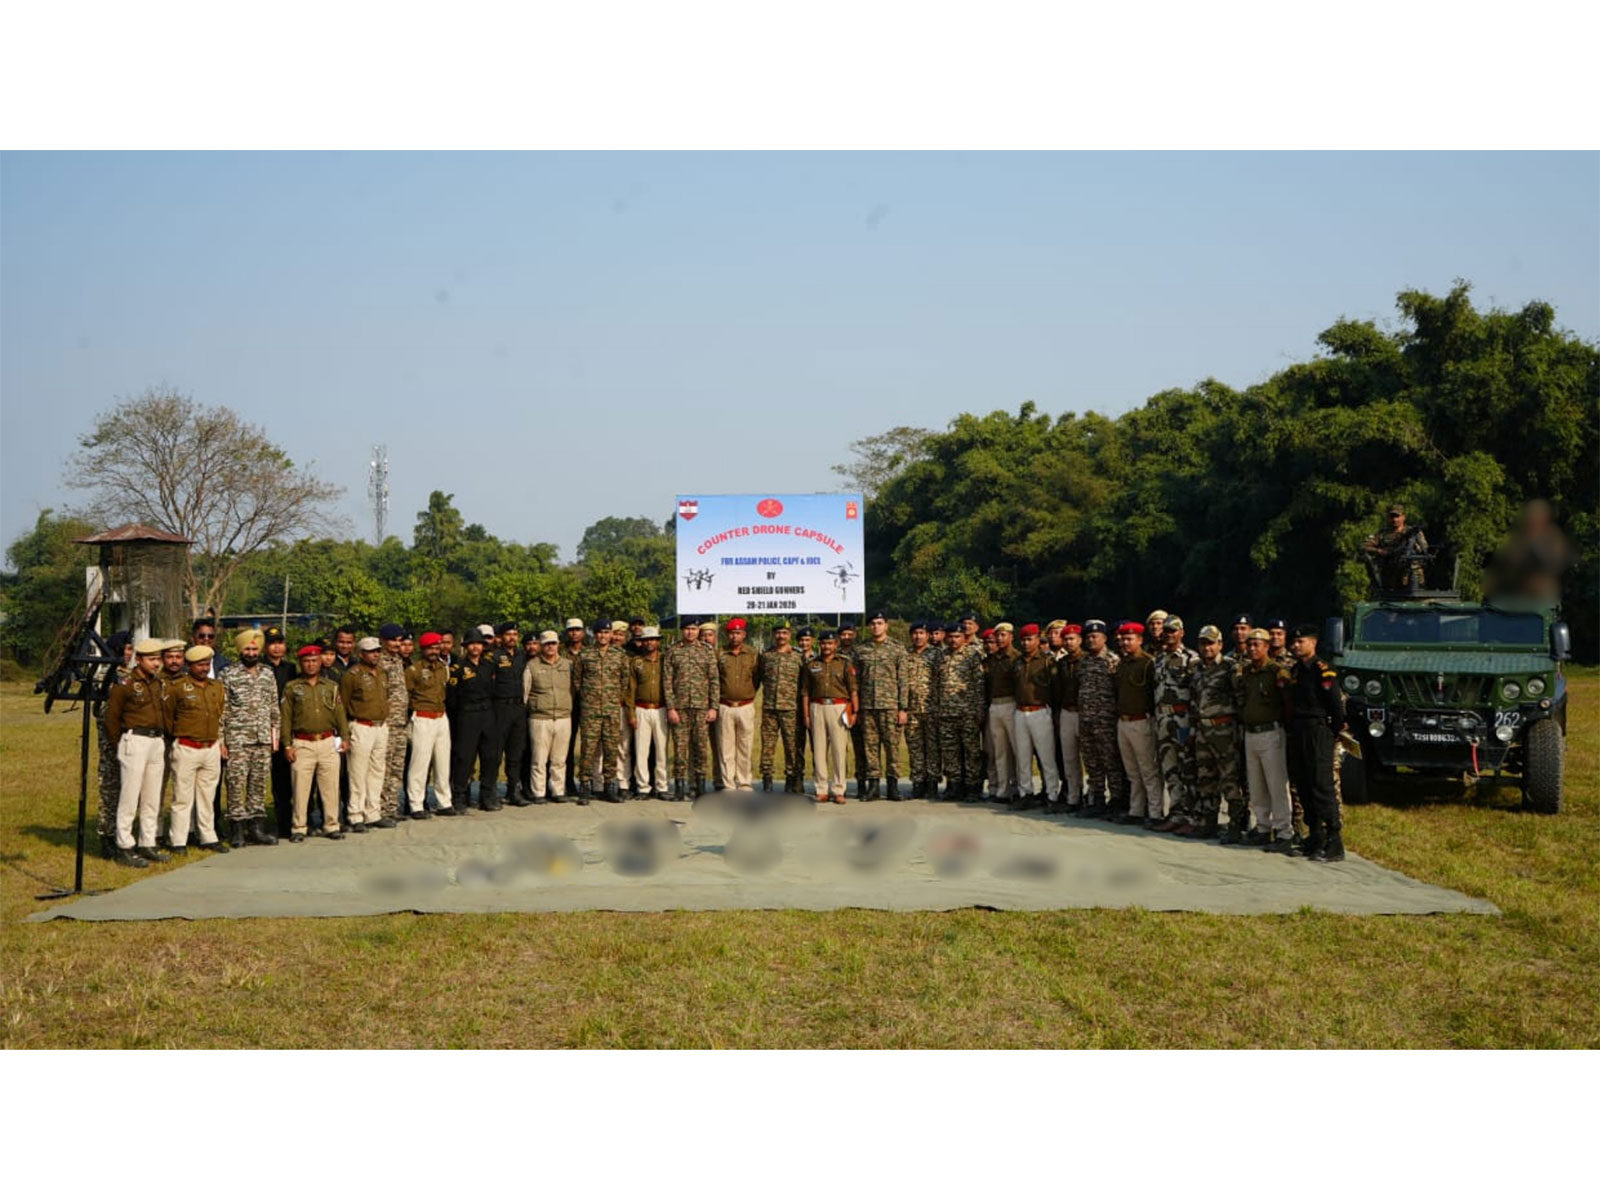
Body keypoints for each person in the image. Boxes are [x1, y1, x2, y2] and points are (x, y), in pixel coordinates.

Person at [106, 638, 171, 866]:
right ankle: (124, 844)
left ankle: (147, 841)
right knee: (130, 796)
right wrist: (119, 745)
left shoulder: (158, 682)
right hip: (135, 739)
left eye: (158, 659)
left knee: (152, 797)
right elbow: (112, 717)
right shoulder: (126, 683)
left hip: (156, 740)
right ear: (139, 659)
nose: (157, 663)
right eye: (151, 659)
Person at [162, 644, 229, 854]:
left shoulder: (216, 686)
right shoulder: (178, 687)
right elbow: (168, 717)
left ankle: (208, 837)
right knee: (182, 797)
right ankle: (178, 840)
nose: (204, 668)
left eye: (207, 664)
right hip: (186, 746)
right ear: (189, 665)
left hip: (210, 747)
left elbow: (220, 713)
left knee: (207, 796)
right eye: (200, 665)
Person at [1286, 624, 1345, 861]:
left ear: (1313, 643)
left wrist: (1333, 731)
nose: (1295, 646)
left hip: (1318, 729)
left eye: (1301, 642)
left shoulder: (1323, 670)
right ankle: (1315, 835)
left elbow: (1336, 707)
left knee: (1322, 784)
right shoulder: (1296, 671)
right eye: (1293, 642)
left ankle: (1334, 839)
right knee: (1303, 783)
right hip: (1299, 729)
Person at [1232, 628, 1295, 851]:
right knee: (1257, 785)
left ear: (1267, 647)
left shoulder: (1277, 672)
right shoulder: (1247, 672)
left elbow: (1288, 702)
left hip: (1271, 733)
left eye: (1256, 645)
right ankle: (1262, 827)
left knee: (1276, 785)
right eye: (1249, 645)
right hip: (1251, 733)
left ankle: (1284, 832)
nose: (1252, 649)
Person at [217, 629, 280, 847]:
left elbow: (273, 706)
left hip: (262, 739)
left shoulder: (267, 673)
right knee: (236, 784)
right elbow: (222, 709)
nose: (251, 653)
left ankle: (256, 828)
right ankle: (237, 829)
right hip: (238, 740)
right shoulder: (228, 674)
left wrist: (274, 737)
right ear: (240, 650)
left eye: (254, 649)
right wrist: (221, 741)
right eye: (247, 649)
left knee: (259, 785)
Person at [280, 644, 349, 842]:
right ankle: (299, 827)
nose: (310, 665)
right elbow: (286, 718)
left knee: (330, 787)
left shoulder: (331, 686)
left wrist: (344, 737)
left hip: (327, 741)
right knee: (301, 789)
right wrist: (287, 744)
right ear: (301, 663)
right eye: (306, 661)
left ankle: (331, 825)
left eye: (314, 661)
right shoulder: (292, 687)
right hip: (303, 743)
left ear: (320, 662)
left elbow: (339, 713)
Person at [1187, 625, 1243, 841]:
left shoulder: (1230, 667)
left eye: (1211, 643)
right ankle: (1209, 822)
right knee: (1206, 778)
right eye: (1203, 643)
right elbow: (1194, 699)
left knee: (1230, 778)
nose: (1207, 648)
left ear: (1220, 644)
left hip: (1224, 729)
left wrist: (1239, 730)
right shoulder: (1196, 668)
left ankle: (1236, 824)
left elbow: (1240, 698)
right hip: (1203, 729)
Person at [1151, 616, 1201, 834]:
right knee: (1169, 769)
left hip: (1183, 719)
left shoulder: (1191, 658)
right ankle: (1176, 813)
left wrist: (1193, 726)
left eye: (1173, 630)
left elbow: (1197, 693)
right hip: (1163, 718)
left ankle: (1192, 815)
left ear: (1181, 632)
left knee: (1187, 769)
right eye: (1166, 631)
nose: (1169, 634)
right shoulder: (1159, 659)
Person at [1113, 621, 1163, 827]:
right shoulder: (1122, 663)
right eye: (1123, 639)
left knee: (1148, 770)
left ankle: (1155, 812)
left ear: (1140, 640)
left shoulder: (1148, 663)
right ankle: (1136, 810)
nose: (1125, 643)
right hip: (1123, 721)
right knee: (1132, 771)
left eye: (1130, 639)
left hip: (1141, 721)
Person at [1073, 619, 1125, 819]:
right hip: (1086, 719)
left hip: (1106, 721)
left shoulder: (1112, 660)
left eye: (1095, 636)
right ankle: (1097, 799)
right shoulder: (1084, 661)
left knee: (1110, 761)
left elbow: (1118, 690)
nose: (1091, 640)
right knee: (1092, 762)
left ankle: (1117, 800)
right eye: (1088, 637)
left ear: (1104, 638)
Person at [853, 611, 908, 799]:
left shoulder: (897, 649)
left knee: (892, 748)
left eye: (879, 623)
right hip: (868, 706)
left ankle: (893, 786)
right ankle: (873, 786)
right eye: (873, 623)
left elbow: (903, 680)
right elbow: (856, 681)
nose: (876, 626)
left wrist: (903, 708)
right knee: (870, 747)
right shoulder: (861, 649)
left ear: (886, 625)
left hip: (890, 706)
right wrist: (857, 708)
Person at [339, 636, 391, 832]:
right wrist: (345, 733)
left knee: (377, 771)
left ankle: (373, 812)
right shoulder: (352, 675)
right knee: (357, 773)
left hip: (380, 726)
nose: (375, 654)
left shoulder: (382, 673)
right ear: (361, 654)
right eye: (371, 651)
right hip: (360, 726)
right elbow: (343, 705)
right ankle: (355, 814)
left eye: (377, 651)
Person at [573, 620, 628, 801]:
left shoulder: (620, 655)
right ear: (594, 635)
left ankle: (610, 786)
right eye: (599, 633)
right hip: (590, 711)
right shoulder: (585, 654)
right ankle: (585, 786)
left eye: (606, 632)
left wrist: (613, 698)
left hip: (611, 710)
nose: (603, 636)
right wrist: (589, 698)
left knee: (611, 749)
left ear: (611, 634)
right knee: (588, 749)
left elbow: (624, 680)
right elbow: (577, 681)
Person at [404, 632, 458, 818]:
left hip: (441, 717)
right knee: (420, 763)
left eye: (436, 647)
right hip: (422, 717)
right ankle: (416, 804)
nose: (434, 651)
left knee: (443, 763)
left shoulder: (443, 668)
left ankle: (444, 802)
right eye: (430, 648)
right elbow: (407, 696)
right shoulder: (414, 670)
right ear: (423, 649)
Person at [802, 629, 858, 804]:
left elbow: (853, 689)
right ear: (819, 644)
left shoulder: (844, 663)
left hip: (838, 707)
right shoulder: (811, 665)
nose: (826, 646)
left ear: (836, 645)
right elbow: (805, 692)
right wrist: (806, 715)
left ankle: (839, 789)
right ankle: (821, 789)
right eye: (824, 643)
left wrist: (855, 711)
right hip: (817, 706)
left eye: (830, 643)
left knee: (839, 750)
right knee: (819, 750)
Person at [665, 618, 718, 798]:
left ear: (698, 631)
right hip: (680, 708)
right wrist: (671, 708)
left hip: (701, 707)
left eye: (694, 629)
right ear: (682, 631)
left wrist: (713, 707)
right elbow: (667, 681)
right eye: (687, 629)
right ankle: (680, 787)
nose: (690, 632)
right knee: (680, 749)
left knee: (700, 748)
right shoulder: (673, 651)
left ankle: (700, 786)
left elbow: (714, 680)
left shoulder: (706, 651)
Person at [1009, 622, 1058, 811]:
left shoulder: (1047, 661)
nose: (1026, 643)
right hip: (1020, 711)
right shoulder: (1017, 662)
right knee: (1022, 757)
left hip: (1040, 711)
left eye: (1030, 639)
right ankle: (1025, 793)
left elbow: (1055, 689)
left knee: (1046, 757)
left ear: (1038, 639)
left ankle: (1052, 794)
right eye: (1023, 640)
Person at [447, 630, 499, 809]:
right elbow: (452, 698)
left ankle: (487, 795)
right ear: (466, 646)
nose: (475, 647)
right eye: (472, 644)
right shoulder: (458, 668)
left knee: (490, 756)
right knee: (464, 757)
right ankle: (460, 796)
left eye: (479, 643)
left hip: (487, 714)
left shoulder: (489, 665)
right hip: (467, 715)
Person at [94, 630, 134, 857]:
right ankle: (107, 835)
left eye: (131, 649)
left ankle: (124, 833)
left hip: (131, 739)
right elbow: (103, 711)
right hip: (111, 739)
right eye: (126, 649)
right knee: (110, 788)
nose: (129, 653)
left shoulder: (131, 675)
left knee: (128, 789)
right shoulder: (105, 676)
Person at [524, 630, 576, 803]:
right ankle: (538, 792)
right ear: (541, 646)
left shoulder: (568, 665)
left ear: (558, 645)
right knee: (539, 759)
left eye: (553, 643)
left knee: (559, 759)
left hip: (563, 717)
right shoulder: (532, 665)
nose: (550, 647)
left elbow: (573, 689)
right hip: (540, 718)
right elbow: (525, 692)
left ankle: (558, 790)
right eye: (546, 644)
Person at [936, 624, 986, 801]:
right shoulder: (941, 656)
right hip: (946, 712)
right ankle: (954, 785)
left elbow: (979, 684)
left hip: (968, 712)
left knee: (971, 751)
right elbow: (936, 684)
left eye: (957, 636)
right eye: (950, 636)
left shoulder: (972, 655)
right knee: (950, 752)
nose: (953, 640)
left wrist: (979, 710)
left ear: (964, 638)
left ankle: (973, 787)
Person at [714, 617, 762, 791]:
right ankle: (728, 783)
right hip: (725, 705)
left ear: (744, 634)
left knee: (745, 745)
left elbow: (757, 678)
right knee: (725, 746)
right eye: (732, 633)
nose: (735, 636)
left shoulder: (753, 654)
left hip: (745, 706)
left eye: (738, 633)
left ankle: (744, 781)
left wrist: (746, 693)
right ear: (727, 635)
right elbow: (715, 678)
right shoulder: (720, 653)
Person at [758, 621, 806, 793]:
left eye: (784, 633)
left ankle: (791, 780)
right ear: (774, 635)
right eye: (778, 633)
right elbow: (759, 678)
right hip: (770, 708)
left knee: (792, 746)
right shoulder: (766, 655)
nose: (781, 636)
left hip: (791, 709)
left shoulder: (798, 656)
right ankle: (767, 779)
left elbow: (804, 683)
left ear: (790, 635)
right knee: (767, 746)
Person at [625, 626, 671, 799]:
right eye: (646, 640)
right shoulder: (636, 662)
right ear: (642, 642)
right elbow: (630, 689)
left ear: (658, 642)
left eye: (653, 639)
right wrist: (631, 713)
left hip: (661, 709)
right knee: (641, 751)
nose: (649, 643)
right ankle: (643, 787)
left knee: (661, 750)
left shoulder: (665, 660)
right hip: (641, 709)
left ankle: (662, 786)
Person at [262, 627, 298, 836]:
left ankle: (286, 823)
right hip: (263, 727)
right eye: (272, 643)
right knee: (261, 778)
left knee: (284, 778)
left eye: (280, 643)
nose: (277, 647)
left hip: (285, 728)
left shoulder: (291, 669)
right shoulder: (260, 668)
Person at [489, 621, 530, 804]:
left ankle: (513, 790)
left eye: (514, 634)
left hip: (518, 708)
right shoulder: (494, 656)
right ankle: (490, 792)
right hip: (500, 708)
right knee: (495, 753)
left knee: (516, 752)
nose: (512, 638)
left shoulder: (522, 655)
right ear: (501, 637)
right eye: (508, 634)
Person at [376, 623, 411, 825]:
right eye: (393, 640)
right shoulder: (379, 662)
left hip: (400, 722)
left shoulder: (398, 660)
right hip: (386, 722)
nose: (397, 644)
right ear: (382, 641)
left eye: (399, 640)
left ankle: (391, 807)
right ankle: (379, 809)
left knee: (397, 767)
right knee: (384, 767)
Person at [983, 622, 1020, 801]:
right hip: (994, 705)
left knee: (1018, 750)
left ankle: (1020, 788)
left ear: (1011, 637)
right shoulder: (991, 660)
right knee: (999, 751)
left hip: (1011, 703)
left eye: (1003, 635)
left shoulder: (1017, 658)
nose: (1000, 638)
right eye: (997, 635)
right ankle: (1003, 789)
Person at [903, 621, 940, 799]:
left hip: (931, 707)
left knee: (932, 747)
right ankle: (918, 782)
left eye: (921, 633)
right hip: (911, 708)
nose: (918, 636)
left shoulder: (937, 654)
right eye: (915, 633)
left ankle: (932, 783)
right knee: (915, 747)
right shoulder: (905, 654)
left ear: (927, 635)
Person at [1052, 624, 1084, 812]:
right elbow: (1057, 691)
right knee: (1069, 757)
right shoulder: (1062, 663)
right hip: (1066, 712)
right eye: (1066, 639)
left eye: (1072, 639)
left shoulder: (1087, 660)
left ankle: (1093, 797)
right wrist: (1057, 713)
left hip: (1084, 713)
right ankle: (1073, 797)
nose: (1069, 642)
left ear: (1079, 640)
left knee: (1091, 759)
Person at [1362, 503, 1428, 591]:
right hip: (1390, 574)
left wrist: (1412, 547)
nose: (1394, 519)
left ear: (1403, 517)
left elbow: (1424, 549)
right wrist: (1380, 551)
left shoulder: (1413, 533)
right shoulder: (1383, 533)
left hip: (1411, 573)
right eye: (1392, 517)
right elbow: (1365, 547)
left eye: (1397, 516)